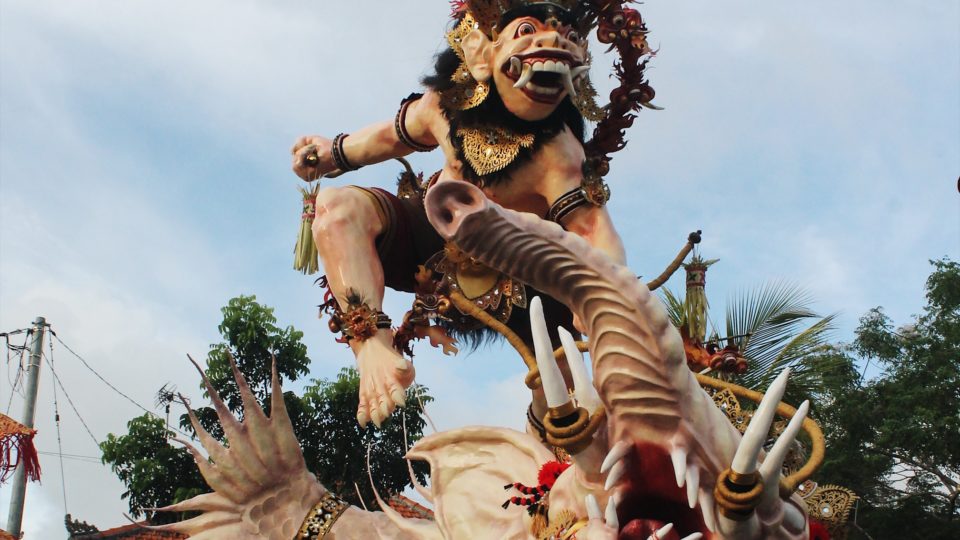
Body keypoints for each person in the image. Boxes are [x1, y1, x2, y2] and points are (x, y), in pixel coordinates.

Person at [290, 0, 629, 430]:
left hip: (524, 277)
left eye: (569, 39)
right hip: (430, 246)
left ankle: (547, 477)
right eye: (526, 30)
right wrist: (329, 154)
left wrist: (605, 294)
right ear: (480, 50)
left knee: (570, 402)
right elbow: (381, 139)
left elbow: (593, 228)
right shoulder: (444, 108)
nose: (553, 42)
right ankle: (371, 346)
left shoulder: (559, 154)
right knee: (336, 209)